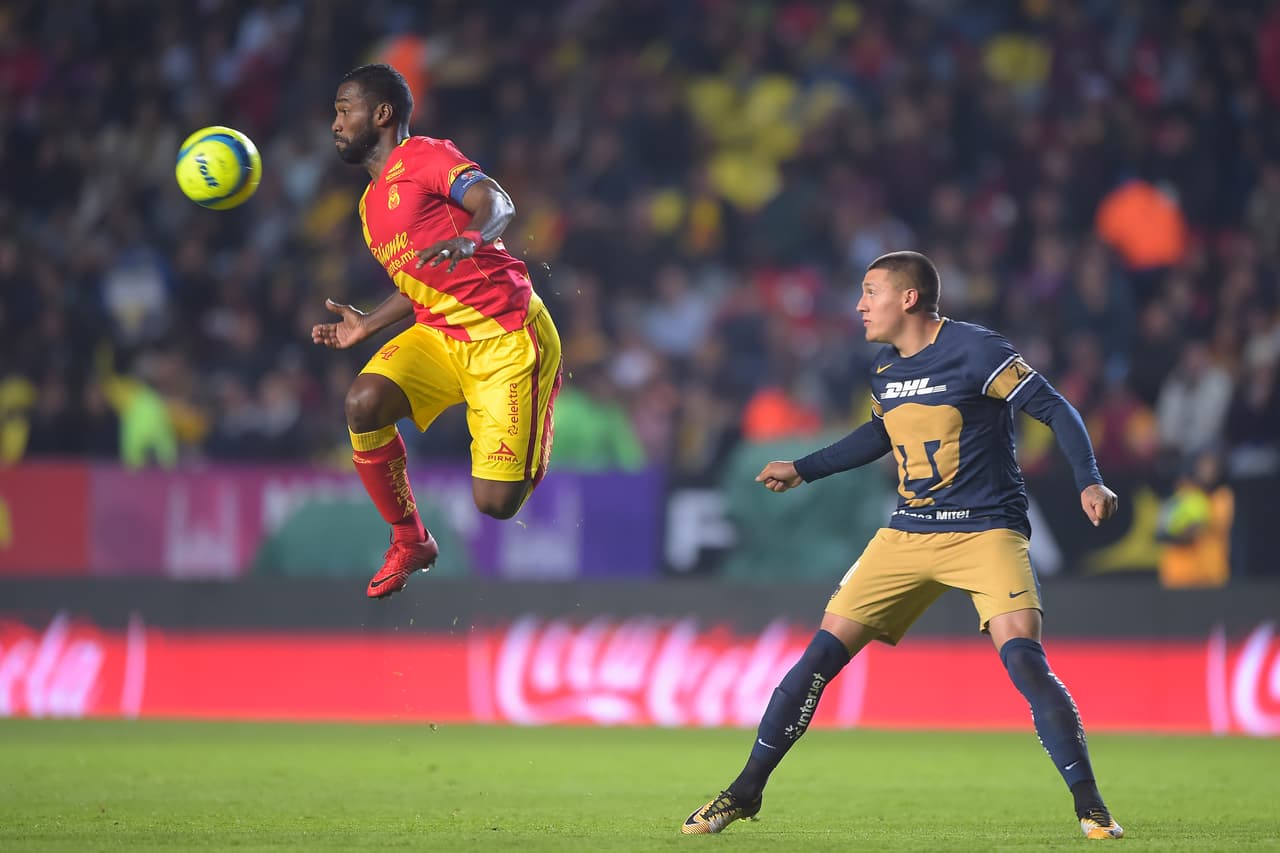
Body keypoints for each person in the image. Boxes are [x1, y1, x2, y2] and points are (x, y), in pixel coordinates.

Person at [681, 251, 1124, 840]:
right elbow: (878, 434)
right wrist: (802, 468)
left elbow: (1056, 409)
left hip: (985, 528)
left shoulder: (979, 350)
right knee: (818, 658)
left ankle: (1091, 806)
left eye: (870, 292)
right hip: (908, 532)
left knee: (1022, 658)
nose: (860, 305)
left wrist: (1088, 478)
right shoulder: (887, 370)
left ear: (908, 298)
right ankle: (744, 791)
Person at [312, 64, 562, 598]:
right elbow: (421, 282)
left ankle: (535, 408)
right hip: (440, 333)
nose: (334, 122)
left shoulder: (424, 156)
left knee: (496, 504)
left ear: (381, 114)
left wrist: (473, 239)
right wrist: (368, 325)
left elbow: (498, 202)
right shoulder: (368, 205)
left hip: (506, 336)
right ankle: (411, 539)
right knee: (363, 402)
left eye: (342, 109)